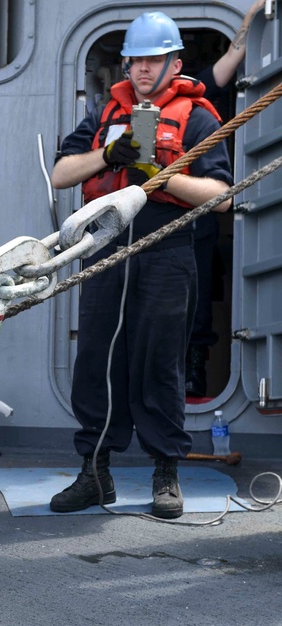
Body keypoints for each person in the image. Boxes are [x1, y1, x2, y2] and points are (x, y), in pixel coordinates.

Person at [49, 12, 233, 519]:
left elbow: (220, 197)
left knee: (161, 363)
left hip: (168, 255)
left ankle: (165, 472)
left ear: (175, 63)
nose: (143, 69)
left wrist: (163, 177)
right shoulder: (106, 113)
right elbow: (63, 172)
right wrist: (110, 154)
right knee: (96, 363)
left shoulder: (197, 118)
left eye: (154, 60)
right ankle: (95, 473)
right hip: (106, 253)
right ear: (126, 63)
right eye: (135, 60)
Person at [185, 0, 264, 397]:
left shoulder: (194, 96)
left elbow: (228, 64)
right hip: (146, 224)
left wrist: (248, 25)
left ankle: (194, 374)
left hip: (195, 221)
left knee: (196, 303)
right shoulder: (122, 109)